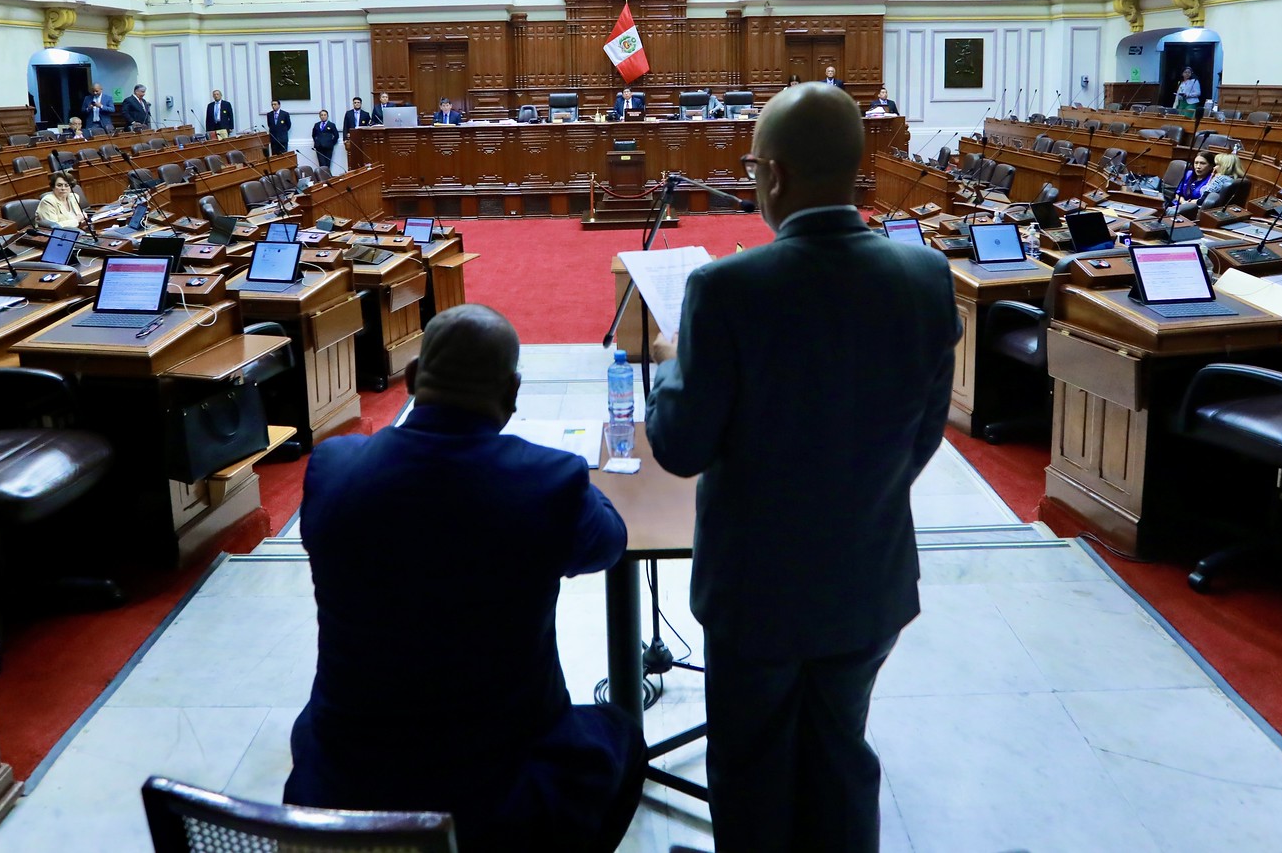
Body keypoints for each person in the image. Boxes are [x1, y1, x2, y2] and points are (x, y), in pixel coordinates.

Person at [647, 84, 960, 853]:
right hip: (869, 578)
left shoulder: (724, 290)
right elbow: (925, 433)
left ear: (774, 176)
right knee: (841, 754)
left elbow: (680, 447)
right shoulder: (925, 277)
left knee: (753, 770)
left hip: (758, 592)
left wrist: (669, 368)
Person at [286, 305, 643, 852]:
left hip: (345, 780)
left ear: (410, 381)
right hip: (494, 795)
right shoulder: (549, 481)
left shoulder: (334, 467)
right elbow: (610, 543)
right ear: (513, 391)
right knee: (621, 735)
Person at [311, 109, 339, 173]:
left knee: (327, 164)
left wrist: (331, 143)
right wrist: (317, 142)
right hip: (319, 147)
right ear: (320, 116)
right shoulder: (317, 125)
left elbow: (336, 136)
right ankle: (322, 177)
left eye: (324, 115)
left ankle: (327, 177)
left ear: (327, 116)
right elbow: (313, 135)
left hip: (328, 147)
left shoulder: (331, 125)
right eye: (321, 115)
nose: (323, 116)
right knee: (322, 164)